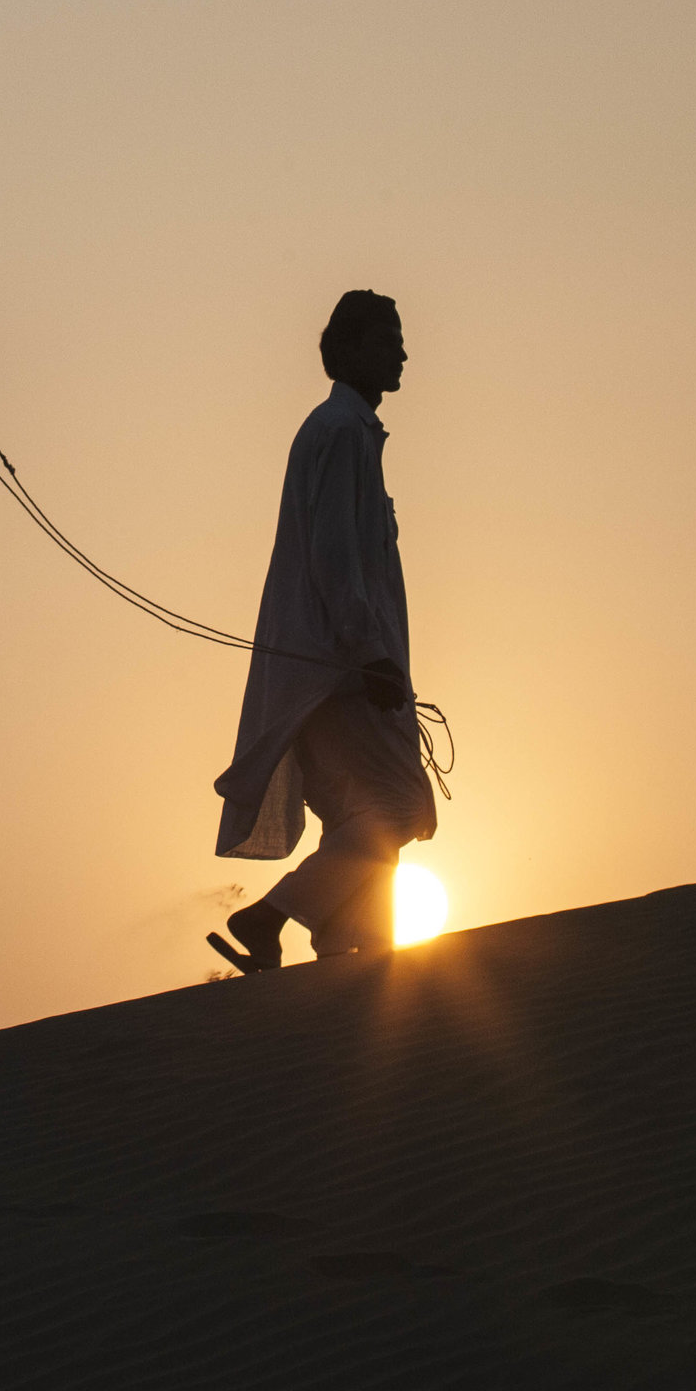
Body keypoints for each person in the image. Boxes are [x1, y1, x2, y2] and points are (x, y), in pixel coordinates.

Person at [206, 290, 436, 973]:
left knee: (356, 822)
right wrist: (369, 652)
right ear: (353, 347)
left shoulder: (347, 432)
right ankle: (266, 915)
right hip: (340, 670)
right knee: (398, 807)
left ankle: (349, 962)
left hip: (336, 666)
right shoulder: (339, 432)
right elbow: (335, 556)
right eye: (389, 337)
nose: (401, 351)